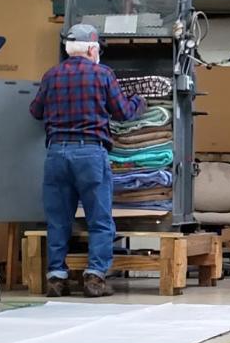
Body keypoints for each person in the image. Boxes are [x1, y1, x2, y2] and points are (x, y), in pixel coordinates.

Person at [28, 24, 145, 298]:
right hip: (90, 153)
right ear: (92, 49)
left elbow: (35, 111)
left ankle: (56, 277)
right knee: (99, 218)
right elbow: (123, 112)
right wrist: (140, 101)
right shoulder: (102, 74)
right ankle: (94, 277)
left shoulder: (51, 75)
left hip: (56, 153)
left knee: (58, 219)